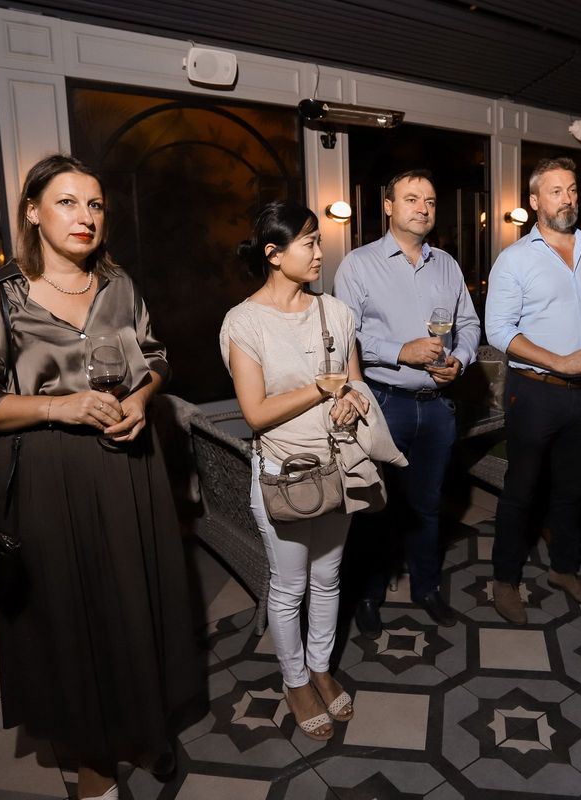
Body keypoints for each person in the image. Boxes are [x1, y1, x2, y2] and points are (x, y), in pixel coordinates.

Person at [0, 154, 206, 800]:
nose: (85, 216)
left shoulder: (119, 285)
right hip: (43, 473)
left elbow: (155, 356)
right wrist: (57, 407)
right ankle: (92, 759)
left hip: (128, 465)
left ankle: (142, 726)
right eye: (67, 202)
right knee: (68, 612)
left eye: (95, 204)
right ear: (33, 212)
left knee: (134, 599)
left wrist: (141, 399)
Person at [221, 200, 370, 742]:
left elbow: (355, 381)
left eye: (318, 240)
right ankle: (295, 680)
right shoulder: (243, 322)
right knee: (288, 588)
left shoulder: (336, 313)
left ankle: (321, 668)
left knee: (328, 578)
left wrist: (351, 399)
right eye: (308, 242)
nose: (319, 251)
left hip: (338, 467)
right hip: (283, 477)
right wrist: (321, 390)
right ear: (274, 253)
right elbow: (256, 413)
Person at [333, 168, 481, 637]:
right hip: (383, 402)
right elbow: (346, 336)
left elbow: (469, 324)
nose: (423, 208)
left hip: (437, 405)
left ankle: (427, 587)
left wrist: (459, 360)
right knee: (376, 505)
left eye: (430, 201)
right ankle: (369, 594)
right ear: (389, 206)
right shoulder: (358, 264)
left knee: (428, 504)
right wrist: (401, 351)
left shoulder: (448, 265)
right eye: (412, 199)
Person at [485, 157, 581, 624]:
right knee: (521, 490)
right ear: (534, 201)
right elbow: (499, 330)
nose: (567, 199)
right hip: (535, 391)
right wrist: (558, 360)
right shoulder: (515, 259)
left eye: (572, 189)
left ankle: (564, 569)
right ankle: (505, 579)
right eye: (556, 191)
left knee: (574, 488)